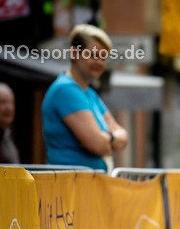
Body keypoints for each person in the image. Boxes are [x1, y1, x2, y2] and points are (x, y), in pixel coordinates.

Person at [42, 24, 128, 170]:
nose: (100, 63)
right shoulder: (66, 89)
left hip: (88, 184)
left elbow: (124, 137)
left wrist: (107, 138)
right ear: (74, 53)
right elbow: (97, 144)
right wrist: (110, 139)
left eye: (103, 57)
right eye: (93, 55)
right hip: (70, 184)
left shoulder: (89, 93)